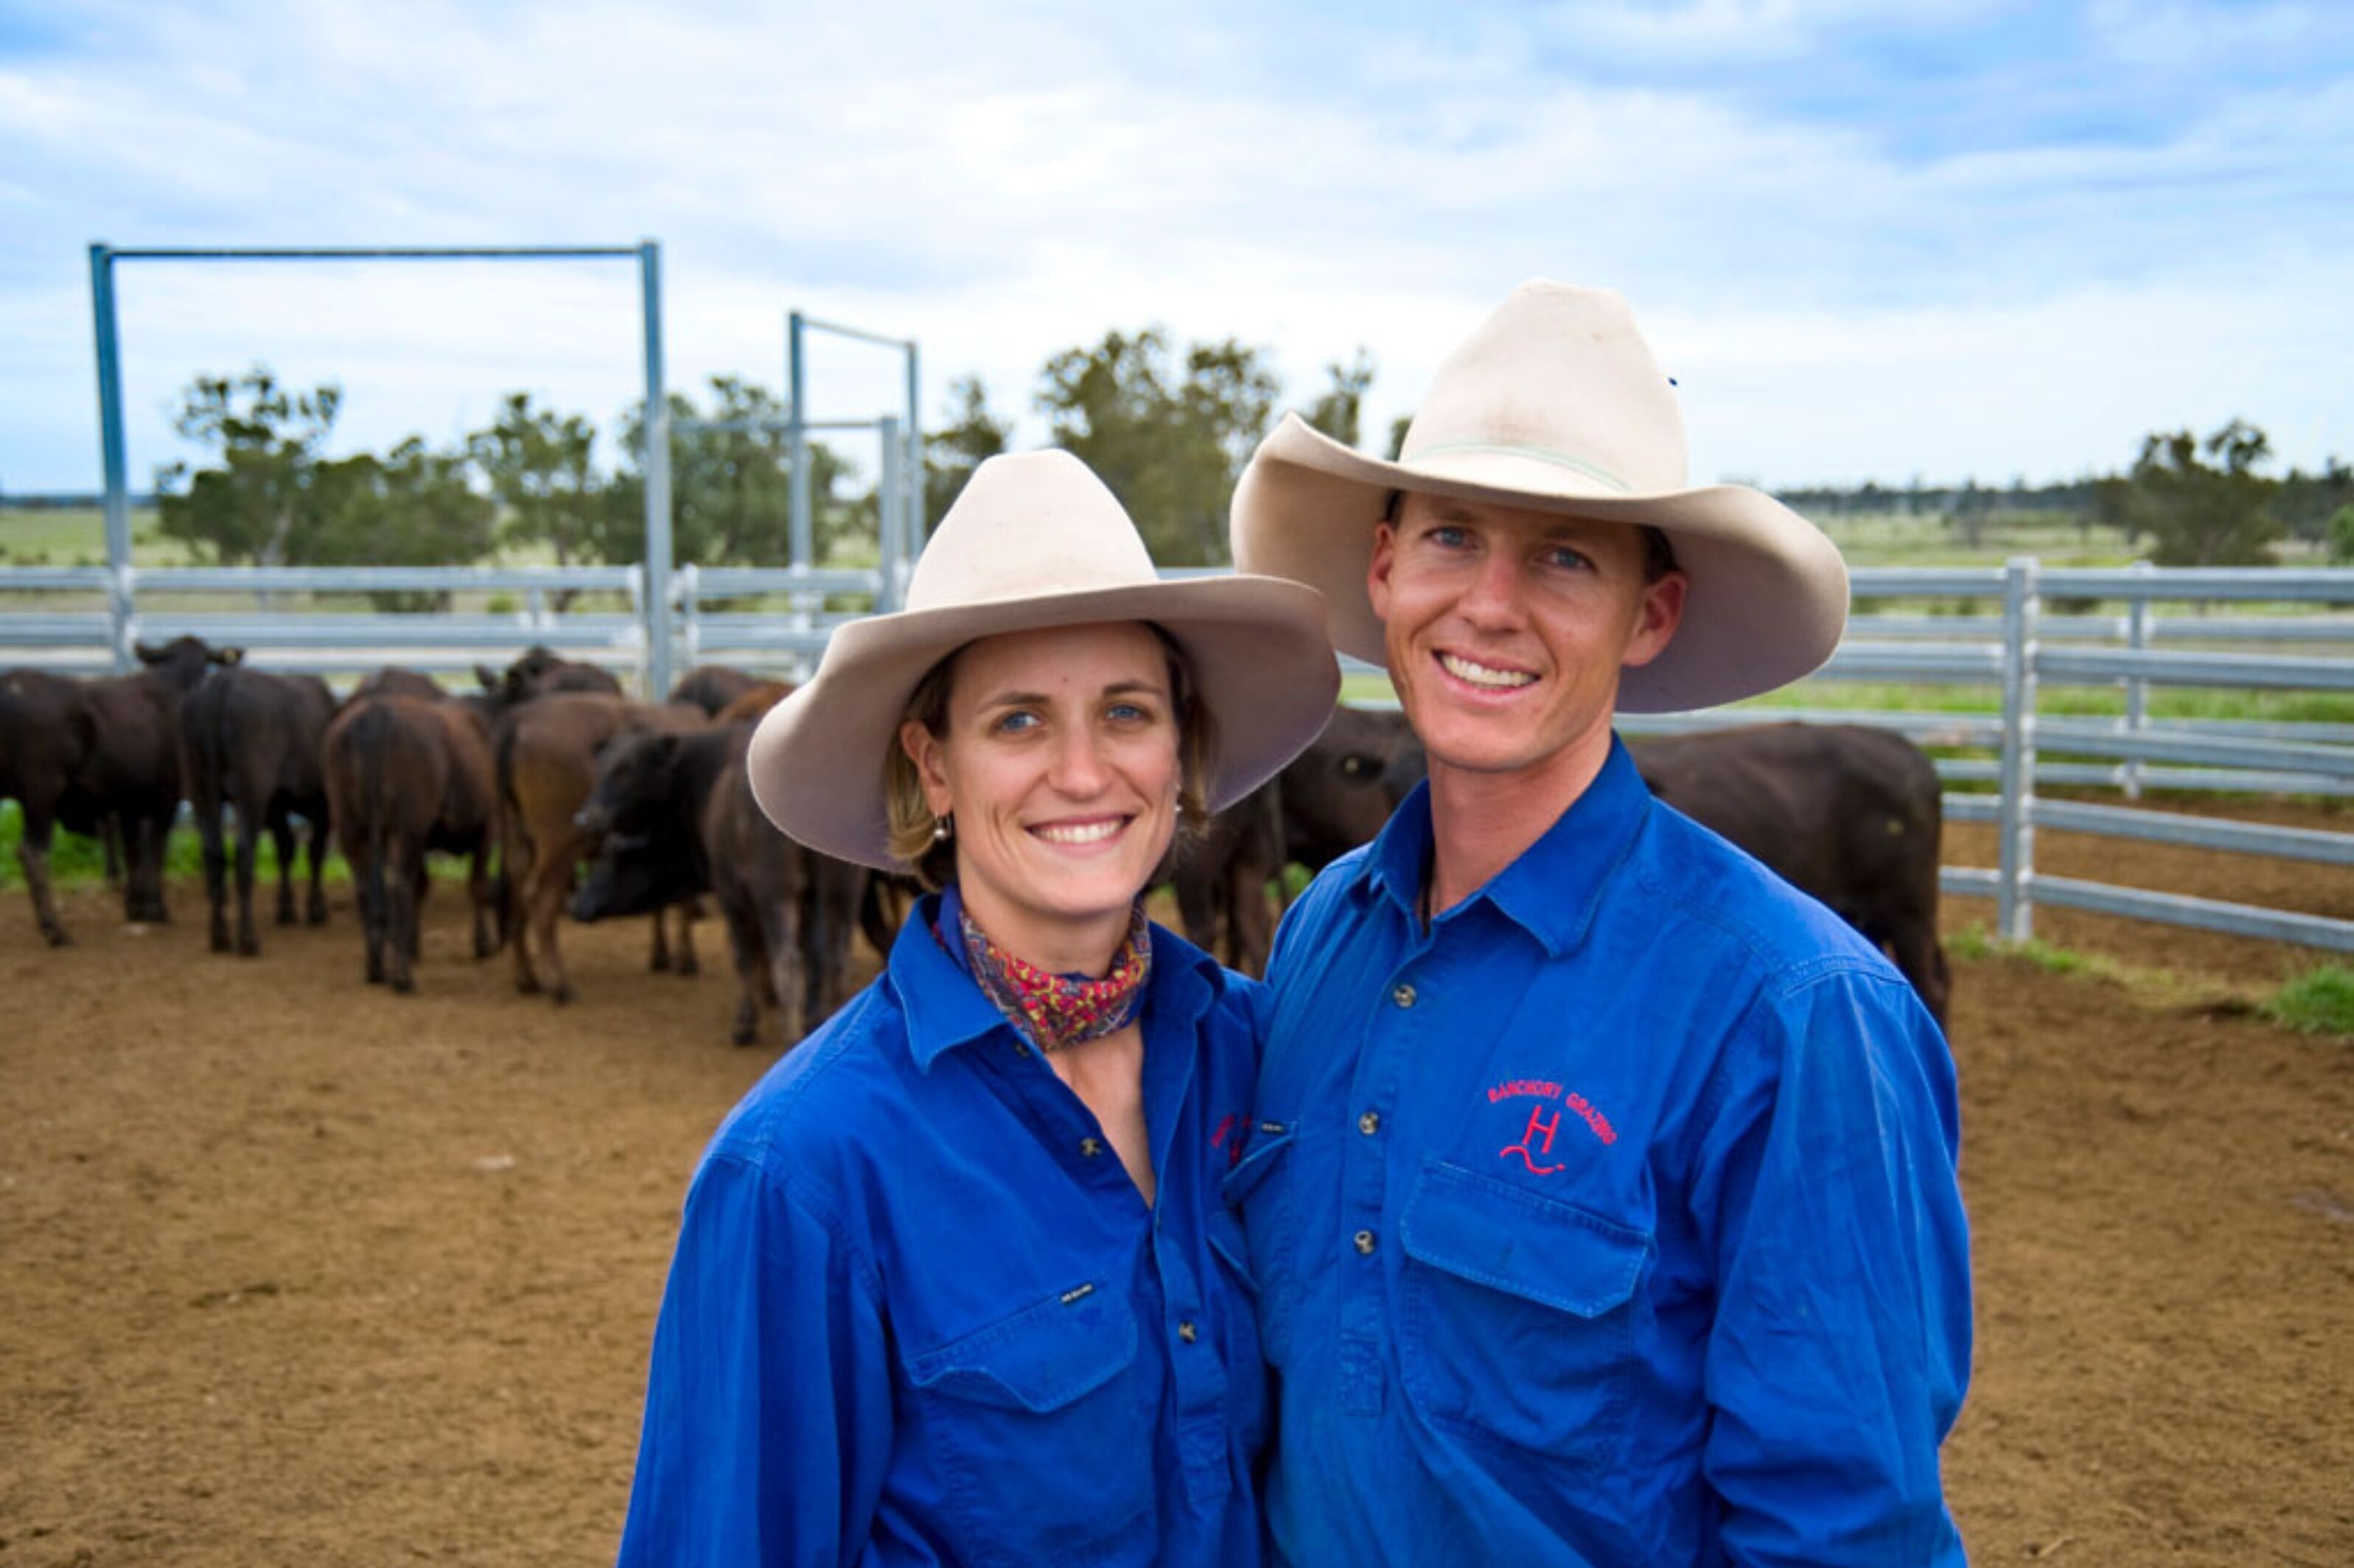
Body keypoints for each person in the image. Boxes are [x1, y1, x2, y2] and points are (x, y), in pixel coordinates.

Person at [1226, 281, 1971, 1567]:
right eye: (1452, 537)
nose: (1491, 605)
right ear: (1384, 567)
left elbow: (1843, 1528)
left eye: (1564, 556)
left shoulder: (1796, 1015)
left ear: (1652, 614)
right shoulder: (1322, 938)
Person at [612, 448, 1341, 1567]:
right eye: (1016, 722)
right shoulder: (803, 1171)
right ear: (933, 767)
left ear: (1180, 747)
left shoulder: (1261, 1052)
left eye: (1126, 712)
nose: (1085, 772)